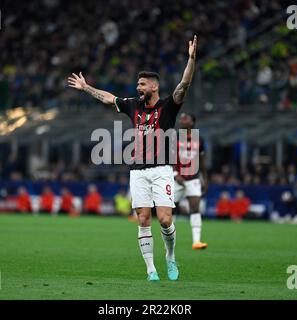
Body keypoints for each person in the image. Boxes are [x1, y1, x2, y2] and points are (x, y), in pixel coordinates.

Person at [67, 35, 198, 281]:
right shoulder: (133, 105)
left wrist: (191, 59)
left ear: (154, 87)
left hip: (161, 169)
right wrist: (86, 88)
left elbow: (184, 84)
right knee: (143, 218)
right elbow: (108, 98)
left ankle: (170, 256)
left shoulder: (168, 106)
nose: (138, 88)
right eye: (138, 84)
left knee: (165, 219)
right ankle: (151, 270)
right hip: (138, 171)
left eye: (143, 84)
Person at [173, 112, 208, 250]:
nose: (181, 120)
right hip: (177, 178)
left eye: (185, 118)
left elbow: (202, 160)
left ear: (192, 122)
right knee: (170, 209)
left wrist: (205, 179)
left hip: (193, 178)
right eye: (181, 118)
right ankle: (170, 240)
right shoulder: (174, 138)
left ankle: (196, 241)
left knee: (195, 208)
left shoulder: (199, 140)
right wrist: (175, 174)